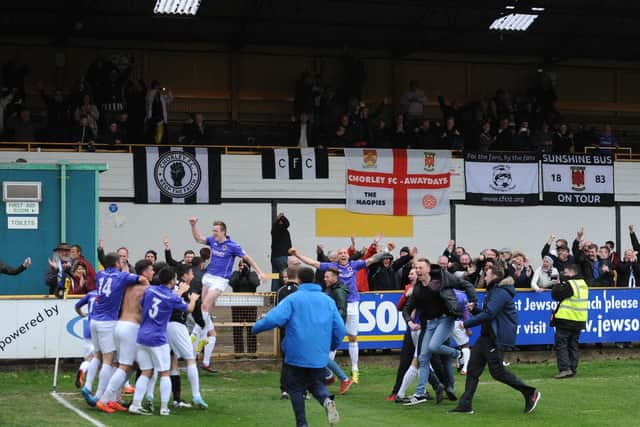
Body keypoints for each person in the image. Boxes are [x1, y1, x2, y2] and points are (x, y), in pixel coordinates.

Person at [252, 266, 345, 427]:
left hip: (296, 354)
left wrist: (256, 328)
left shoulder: (293, 299)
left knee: (295, 388)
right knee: (316, 384)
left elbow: (274, 318)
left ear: (299, 280)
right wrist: (331, 346)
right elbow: (340, 329)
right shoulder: (327, 300)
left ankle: (302, 423)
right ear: (315, 279)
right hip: (318, 355)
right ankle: (326, 401)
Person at [450, 263, 541, 415]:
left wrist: (465, 323)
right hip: (486, 336)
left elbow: (489, 314)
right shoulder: (495, 291)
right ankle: (465, 405)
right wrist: (475, 310)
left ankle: (530, 393)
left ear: (494, 276)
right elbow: (489, 313)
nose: (484, 277)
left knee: (497, 372)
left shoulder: (500, 292)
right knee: (472, 369)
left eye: (487, 274)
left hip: (495, 338)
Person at [289, 245, 388, 383]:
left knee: (352, 337)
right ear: (337, 257)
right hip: (336, 305)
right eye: (340, 253)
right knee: (333, 337)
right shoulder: (332, 267)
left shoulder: (354, 265)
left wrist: (386, 251)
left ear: (348, 255)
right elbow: (313, 263)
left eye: (345, 253)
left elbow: (372, 259)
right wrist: (297, 253)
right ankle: (326, 371)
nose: (343, 255)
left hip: (352, 304)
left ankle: (355, 370)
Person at [189, 217, 266, 373]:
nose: (213, 233)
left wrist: (260, 272)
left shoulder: (232, 246)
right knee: (204, 310)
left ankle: (197, 335)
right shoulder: (212, 241)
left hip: (220, 280)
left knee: (204, 306)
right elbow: (198, 238)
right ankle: (203, 347)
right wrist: (194, 225)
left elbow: (248, 257)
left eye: (216, 231)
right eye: (213, 231)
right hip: (208, 277)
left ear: (223, 232)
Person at [402, 260, 477, 406]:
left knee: (433, 347)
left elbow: (466, 284)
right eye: (416, 268)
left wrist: (473, 300)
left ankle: (459, 354)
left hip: (446, 319)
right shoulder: (417, 289)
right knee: (423, 358)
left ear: (428, 269)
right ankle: (420, 393)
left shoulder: (442, 278)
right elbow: (406, 309)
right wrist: (410, 322)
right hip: (429, 323)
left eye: (420, 267)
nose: (418, 270)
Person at [80, 253, 149, 409]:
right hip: (108, 322)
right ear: (117, 263)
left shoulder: (99, 275)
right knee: (109, 361)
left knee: (97, 355)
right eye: (121, 260)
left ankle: (89, 386)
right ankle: (99, 396)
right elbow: (141, 279)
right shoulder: (122, 276)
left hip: (94, 320)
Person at [128, 267, 199, 416]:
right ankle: (164, 408)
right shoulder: (172, 297)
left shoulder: (149, 290)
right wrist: (192, 298)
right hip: (158, 338)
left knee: (146, 372)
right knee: (165, 373)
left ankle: (135, 404)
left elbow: (142, 304)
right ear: (173, 280)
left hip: (142, 336)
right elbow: (188, 309)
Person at [167, 264, 208, 409]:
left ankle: (175, 399)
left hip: (166, 326)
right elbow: (180, 306)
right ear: (184, 275)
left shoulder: (178, 287)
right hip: (176, 326)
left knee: (172, 362)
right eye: (191, 273)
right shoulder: (181, 288)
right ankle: (196, 395)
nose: (193, 276)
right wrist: (194, 301)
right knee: (190, 359)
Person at [551, 264, 589, 379]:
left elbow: (556, 295)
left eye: (565, 272)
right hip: (579, 319)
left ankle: (565, 369)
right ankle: (572, 368)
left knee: (562, 344)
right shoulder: (583, 284)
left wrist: (557, 284)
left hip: (566, 319)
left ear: (572, 273)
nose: (563, 274)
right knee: (573, 345)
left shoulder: (571, 284)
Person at [323, 268, 354, 395]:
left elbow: (342, 311)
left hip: (333, 328)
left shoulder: (339, 291)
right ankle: (330, 376)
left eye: (327, 277)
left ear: (335, 277)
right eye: (324, 276)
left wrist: (330, 321)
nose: (325, 279)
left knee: (319, 354)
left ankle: (338, 377)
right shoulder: (330, 289)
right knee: (320, 354)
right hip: (329, 327)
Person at [229, 259, 260, 353]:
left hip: (251, 306)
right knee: (237, 329)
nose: (243, 267)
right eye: (241, 265)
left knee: (252, 328)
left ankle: (252, 351)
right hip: (237, 306)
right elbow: (232, 283)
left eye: (245, 265)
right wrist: (240, 274)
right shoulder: (235, 273)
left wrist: (247, 274)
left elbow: (255, 283)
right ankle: (238, 352)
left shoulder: (253, 274)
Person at [271, 212, 292, 291]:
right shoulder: (281, 229)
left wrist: (279, 219)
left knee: (275, 277)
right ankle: (286, 292)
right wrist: (282, 217)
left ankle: (274, 296)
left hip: (274, 258)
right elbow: (287, 223)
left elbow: (286, 224)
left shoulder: (274, 230)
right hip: (282, 256)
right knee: (285, 276)